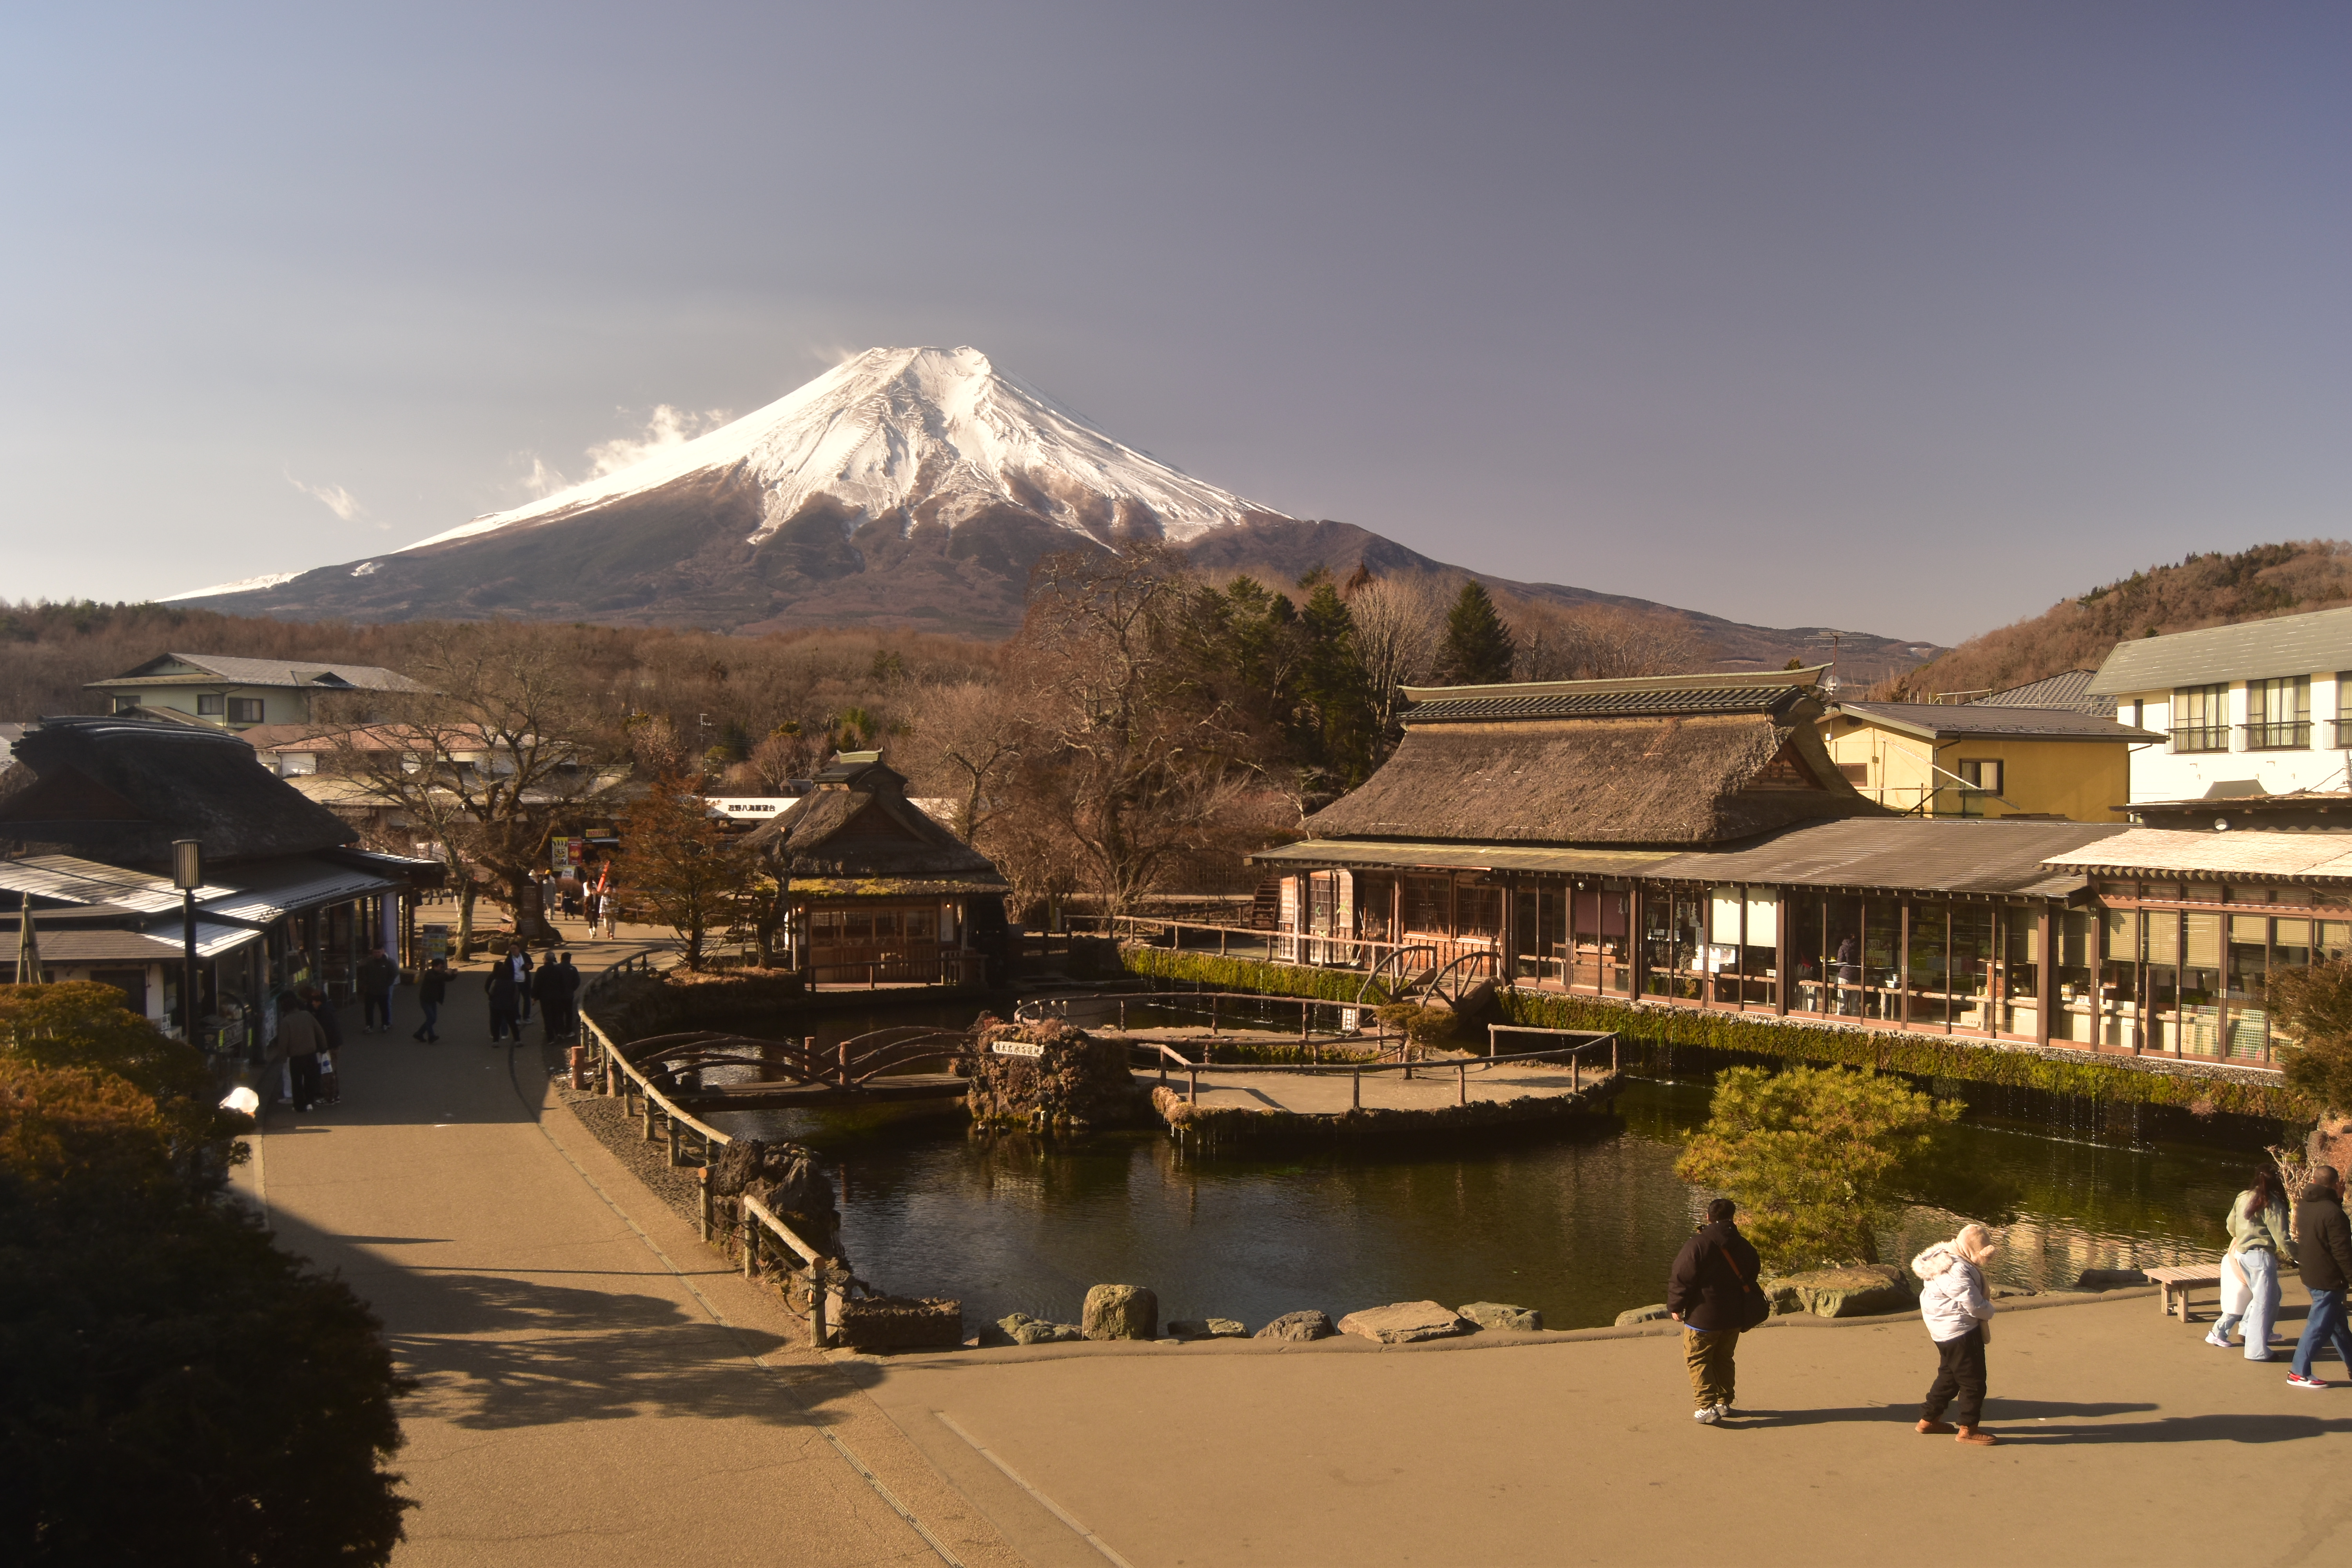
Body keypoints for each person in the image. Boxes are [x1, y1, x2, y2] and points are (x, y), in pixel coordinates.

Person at [1666, 1196, 1763, 1425]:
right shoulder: (1745, 1245)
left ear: (1709, 1217)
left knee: (1698, 1358)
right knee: (1724, 1357)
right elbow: (1752, 1274)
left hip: (1703, 1316)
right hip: (1735, 1316)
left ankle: (1706, 1406)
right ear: (1733, 1217)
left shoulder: (1698, 1244)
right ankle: (1724, 1402)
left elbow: (1682, 1277)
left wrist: (1676, 1306)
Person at [1913, 1222, 2000, 1445]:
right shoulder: (1956, 1269)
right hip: (1960, 1330)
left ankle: (1929, 1419)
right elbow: (1974, 1305)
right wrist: (1990, 1310)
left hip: (1943, 1329)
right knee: (1974, 1381)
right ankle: (1968, 1429)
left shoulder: (1943, 1258)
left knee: (1950, 1376)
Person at [2209, 1169, 2296, 1360]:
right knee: (2263, 1303)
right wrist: (2300, 1256)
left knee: (2270, 1296)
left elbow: (2230, 1225)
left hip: (2242, 1253)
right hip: (2261, 1257)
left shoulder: (2243, 1197)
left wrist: (2241, 1237)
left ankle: (2250, 1331)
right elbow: (2282, 1238)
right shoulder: (2273, 1203)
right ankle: (2256, 1351)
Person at [2288, 1164, 2352, 1388]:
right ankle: (2298, 1372)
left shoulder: (2306, 1204)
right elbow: (2343, 1251)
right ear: (2335, 1185)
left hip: (2311, 1272)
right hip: (2329, 1278)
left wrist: (2337, 1197)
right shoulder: (2334, 1213)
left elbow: (2326, 1218)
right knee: (2319, 1326)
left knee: (2337, 1324)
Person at [277, 992, 328, 1113]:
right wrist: (323, 1047)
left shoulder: (286, 1021)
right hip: (311, 1054)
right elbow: (320, 1032)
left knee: (297, 1082)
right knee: (310, 1080)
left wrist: (283, 1058)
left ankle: (299, 1105)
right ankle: (309, 1103)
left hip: (296, 1057)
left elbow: (283, 1042)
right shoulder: (307, 1015)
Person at [358, 943, 399, 1034]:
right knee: (369, 1009)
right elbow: (365, 974)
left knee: (384, 1008)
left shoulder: (389, 962)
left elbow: (394, 973)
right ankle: (369, 1025)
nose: (377, 954)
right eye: (375, 952)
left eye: (379, 952)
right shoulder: (369, 963)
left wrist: (388, 984)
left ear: (383, 952)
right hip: (371, 990)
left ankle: (385, 1024)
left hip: (383, 990)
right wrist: (366, 984)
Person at [485, 951, 522, 1044]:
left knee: (496, 1023)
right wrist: (513, 1003)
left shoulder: (496, 982)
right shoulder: (513, 983)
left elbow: (491, 992)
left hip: (497, 1005)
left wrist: (492, 999)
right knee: (512, 1024)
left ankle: (496, 1041)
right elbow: (516, 995)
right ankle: (517, 1040)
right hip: (509, 1005)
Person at [413, 956, 448, 1043]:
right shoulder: (429, 974)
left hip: (433, 1000)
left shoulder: (440, 974)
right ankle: (431, 1036)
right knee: (431, 1018)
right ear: (435, 967)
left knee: (433, 1019)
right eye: (441, 967)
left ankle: (419, 1033)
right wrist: (445, 974)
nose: (442, 968)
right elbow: (434, 979)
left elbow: (447, 978)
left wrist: (454, 974)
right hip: (425, 1000)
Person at [510, 943, 536, 1023]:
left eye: (515, 948)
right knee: (516, 1001)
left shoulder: (525, 956)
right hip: (515, 982)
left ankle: (526, 1017)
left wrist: (529, 967)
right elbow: (507, 969)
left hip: (525, 981)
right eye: (512, 949)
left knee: (527, 1000)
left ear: (519, 949)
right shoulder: (509, 958)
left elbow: (531, 965)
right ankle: (517, 1018)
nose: (513, 950)